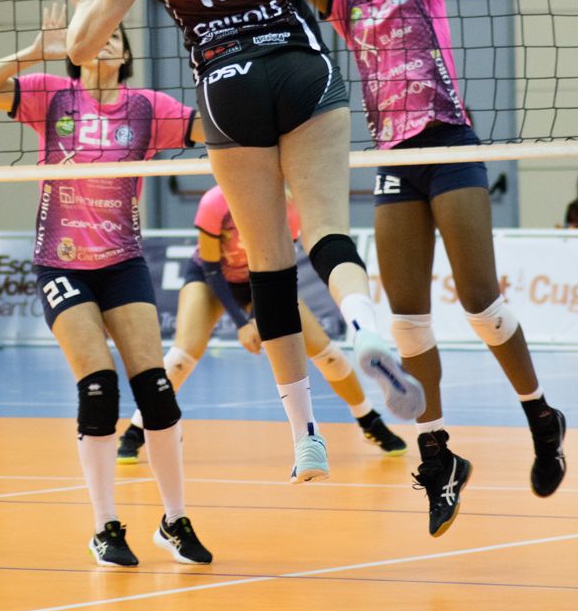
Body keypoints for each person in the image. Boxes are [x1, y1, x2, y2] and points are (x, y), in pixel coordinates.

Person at [64, 0, 423, 490]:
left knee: (267, 265)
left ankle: (305, 438)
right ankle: (364, 325)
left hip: (225, 83)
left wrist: (84, 0)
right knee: (322, 230)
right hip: (297, 65)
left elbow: (82, 46)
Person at [263, 0, 566, 533]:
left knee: (478, 298)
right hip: (395, 159)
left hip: (449, 143)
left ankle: (538, 415)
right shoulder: (340, 6)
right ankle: (436, 457)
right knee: (405, 321)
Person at [0, 0, 213, 568]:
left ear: (124, 55)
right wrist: (34, 52)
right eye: (95, 35)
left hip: (123, 264)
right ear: (79, 49)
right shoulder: (52, 94)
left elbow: (215, 125)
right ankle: (105, 528)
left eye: (116, 36)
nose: (107, 41)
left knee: (157, 391)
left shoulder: (148, 108)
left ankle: (174, 520)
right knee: (98, 388)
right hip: (61, 264)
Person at [116, 183, 407, 463]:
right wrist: (243, 322)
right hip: (212, 279)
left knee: (328, 355)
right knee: (181, 357)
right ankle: (136, 429)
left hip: (264, 279)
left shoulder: (288, 208)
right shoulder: (215, 201)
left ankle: (369, 420)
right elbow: (211, 267)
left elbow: (278, 270)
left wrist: (259, 315)